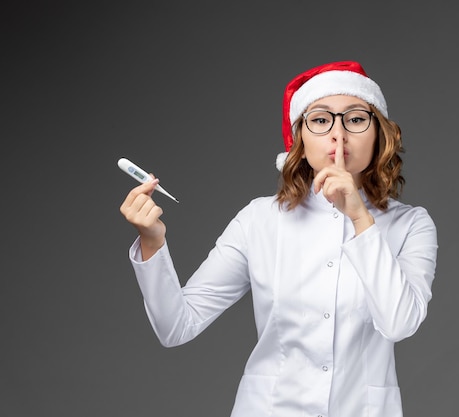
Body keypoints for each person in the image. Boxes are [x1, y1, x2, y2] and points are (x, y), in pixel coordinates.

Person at [120, 60, 438, 417]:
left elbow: (400, 322)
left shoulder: (411, 225)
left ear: (378, 132)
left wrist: (359, 217)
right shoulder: (259, 220)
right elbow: (176, 326)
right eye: (320, 120)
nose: (339, 134)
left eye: (356, 119)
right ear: (300, 137)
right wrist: (151, 241)